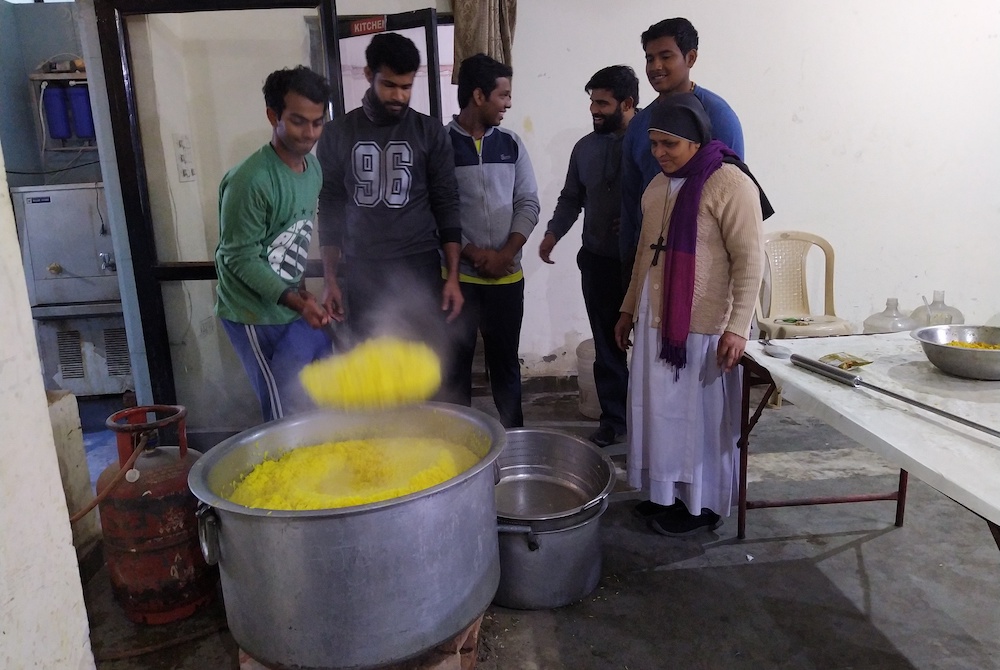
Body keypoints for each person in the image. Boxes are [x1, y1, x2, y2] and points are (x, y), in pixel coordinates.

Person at [614, 94, 764, 537]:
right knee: (658, 414)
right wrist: (627, 310)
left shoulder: (731, 183)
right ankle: (666, 495)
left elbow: (750, 260)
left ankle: (702, 506)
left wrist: (737, 328)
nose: (660, 153)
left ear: (697, 140)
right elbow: (644, 255)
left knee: (698, 424)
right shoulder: (657, 188)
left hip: (702, 329)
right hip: (656, 321)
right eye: (655, 144)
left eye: (670, 145)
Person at [316, 32, 463, 347]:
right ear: (370, 76)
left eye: (406, 87)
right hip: (362, 265)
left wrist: (452, 276)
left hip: (419, 263)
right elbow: (329, 207)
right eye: (389, 85)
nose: (399, 96)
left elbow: (447, 203)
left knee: (422, 356)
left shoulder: (430, 132)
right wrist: (330, 279)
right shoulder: (337, 133)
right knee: (371, 357)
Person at [214, 65, 333, 423]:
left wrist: (302, 294)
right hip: (254, 313)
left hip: (289, 305)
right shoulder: (251, 180)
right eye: (298, 121)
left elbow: (289, 241)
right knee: (284, 409)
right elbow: (240, 258)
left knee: (316, 391)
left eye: (317, 122)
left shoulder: (312, 170)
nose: (309, 133)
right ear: (273, 116)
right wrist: (296, 300)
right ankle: (287, 473)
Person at [539, 65, 639, 447]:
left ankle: (652, 426)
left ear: (627, 103)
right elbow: (571, 198)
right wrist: (552, 233)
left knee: (648, 347)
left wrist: (637, 221)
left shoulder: (652, 141)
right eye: (592, 102)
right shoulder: (585, 148)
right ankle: (615, 420)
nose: (594, 110)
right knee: (606, 343)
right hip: (597, 262)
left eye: (602, 103)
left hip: (645, 266)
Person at [446, 53, 539, 428]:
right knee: (454, 371)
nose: (509, 103)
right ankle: (457, 450)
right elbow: (439, 209)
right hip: (459, 282)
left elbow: (528, 201)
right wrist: (471, 252)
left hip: (507, 279)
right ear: (479, 95)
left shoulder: (511, 144)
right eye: (503, 95)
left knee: (506, 368)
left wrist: (506, 253)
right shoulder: (440, 145)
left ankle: (515, 441)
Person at [620, 17, 745, 273]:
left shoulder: (718, 117)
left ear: (690, 58)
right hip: (647, 255)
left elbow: (734, 196)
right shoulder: (639, 124)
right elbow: (631, 198)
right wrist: (628, 259)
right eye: (649, 58)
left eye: (666, 56)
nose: (655, 66)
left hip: (702, 261)